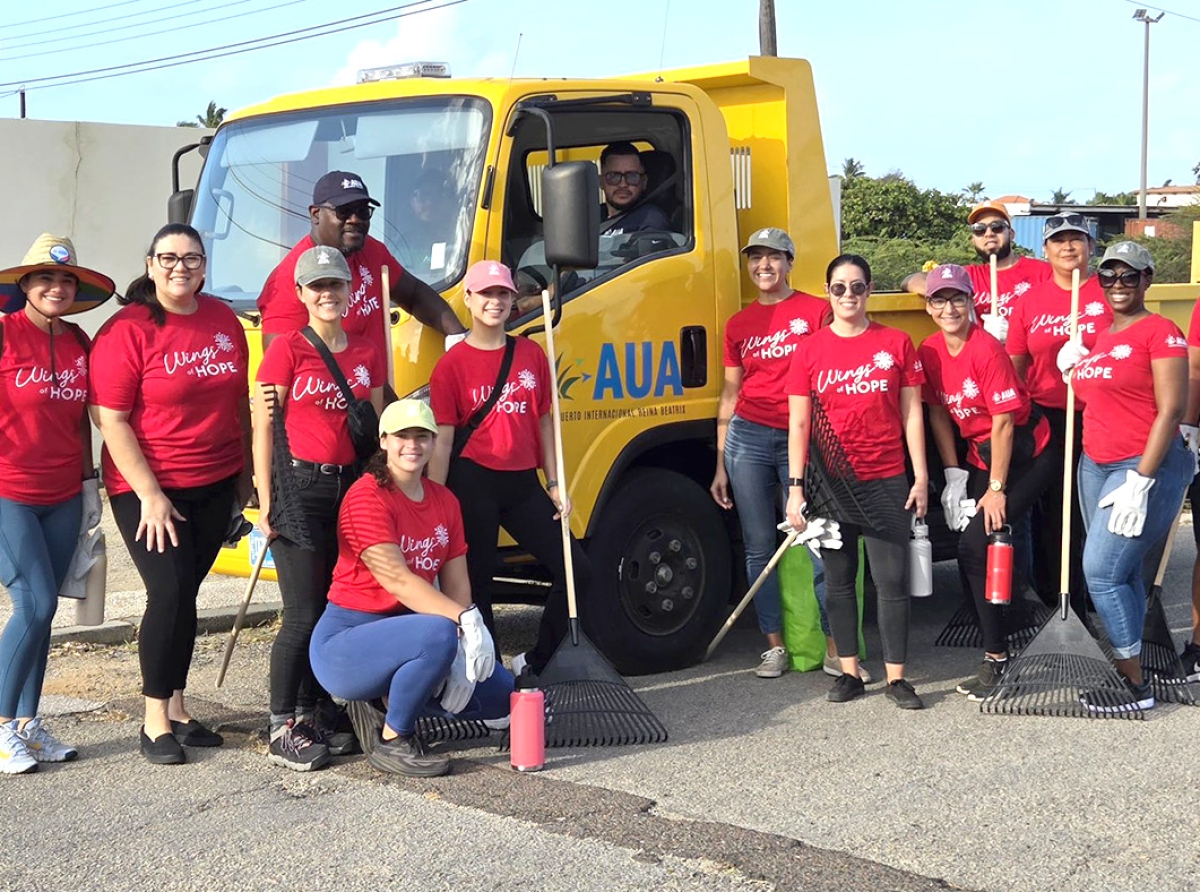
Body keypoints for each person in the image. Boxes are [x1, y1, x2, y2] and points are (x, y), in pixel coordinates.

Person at [89, 223, 252, 764]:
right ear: (150, 264)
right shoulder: (127, 330)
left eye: (191, 258)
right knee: (169, 592)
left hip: (214, 480)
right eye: (168, 258)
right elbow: (111, 420)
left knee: (188, 594)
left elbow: (237, 404)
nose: (180, 267)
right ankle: (154, 718)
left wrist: (245, 475)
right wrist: (152, 494)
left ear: (205, 266)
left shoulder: (223, 319)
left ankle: (179, 708)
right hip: (148, 488)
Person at [309, 400, 512, 777]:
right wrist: (463, 621)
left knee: (506, 694)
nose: (412, 445)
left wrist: (467, 642)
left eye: (422, 436)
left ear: (435, 442)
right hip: (347, 643)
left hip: (412, 636)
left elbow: (456, 583)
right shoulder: (365, 497)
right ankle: (392, 740)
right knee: (437, 633)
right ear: (383, 440)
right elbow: (398, 580)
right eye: (402, 435)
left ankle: (392, 699)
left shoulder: (445, 501)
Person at [710, 228, 869, 681]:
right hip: (748, 438)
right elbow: (730, 393)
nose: (764, 265)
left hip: (803, 438)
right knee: (759, 546)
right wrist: (721, 460)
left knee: (820, 540)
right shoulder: (739, 324)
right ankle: (773, 646)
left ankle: (836, 648)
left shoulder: (816, 310)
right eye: (756, 257)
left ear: (790, 262)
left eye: (773, 257)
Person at [253, 245, 385, 771]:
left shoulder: (367, 351)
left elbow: (377, 427)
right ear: (302, 294)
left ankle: (315, 709)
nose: (328, 294)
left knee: (335, 606)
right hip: (298, 486)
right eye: (318, 287)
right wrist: (265, 500)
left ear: (351, 292)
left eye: (336, 285)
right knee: (303, 612)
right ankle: (280, 721)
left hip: (349, 487)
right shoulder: (285, 348)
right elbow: (264, 426)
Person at [427, 260, 590, 678]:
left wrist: (555, 483)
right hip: (472, 480)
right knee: (476, 584)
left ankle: (533, 661)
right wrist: (433, 500)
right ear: (468, 299)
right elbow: (443, 439)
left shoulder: (531, 353)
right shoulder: (452, 365)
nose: (495, 302)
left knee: (577, 570)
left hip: (523, 483)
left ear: (513, 299)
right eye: (486, 294)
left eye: (502, 294)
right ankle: (491, 680)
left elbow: (544, 422)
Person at [784, 254, 929, 709]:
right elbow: (798, 424)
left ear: (869, 291)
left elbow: (912, 413)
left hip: (886, 475)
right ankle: (848, 671)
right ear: (828, 292)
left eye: (858, 287)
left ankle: (896, 678)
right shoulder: (808, 350)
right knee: (840, 581)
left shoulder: (897, 343)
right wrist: (795, 488)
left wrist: (921, 475)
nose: (849, 295)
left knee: (891, 581)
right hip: (829, 481)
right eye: (839, 287)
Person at [1057, 242, 1191, 712]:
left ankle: (1132, 683)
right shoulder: (1100, 334)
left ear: (1147, 279)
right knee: (1124, 570)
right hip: (1095, 464)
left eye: (1128, 276)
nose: (1117, 284)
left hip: (1141, 467)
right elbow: (1103, 393)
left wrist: (1141, 480)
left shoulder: (1160, 331)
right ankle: (1133, 659)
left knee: (1101, 573)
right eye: (1109, 276)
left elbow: (1171, 409)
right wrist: (1073, 366)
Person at [917, 264, 1059, 701]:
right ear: (928, 305)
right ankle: (1009, 625)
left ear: (971, 302)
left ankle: (997, 658)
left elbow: (1003, 424)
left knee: (976, 544)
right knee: (980, 548)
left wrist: (995, 489)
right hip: (981, 454)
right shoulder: (930, 350)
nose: (949, 307)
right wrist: (954, 473)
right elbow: (939, 411)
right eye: (939, 299)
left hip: (1027, 452)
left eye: (957, 298)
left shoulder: (986, 350)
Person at [0, 235, 115, 774]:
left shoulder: (79, 341)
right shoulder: (2, 334)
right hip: (10, 494)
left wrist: (91, 484)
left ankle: (28, 725)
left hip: (66, 493)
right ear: (24, 284)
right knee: (35, 604)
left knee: (45, 617)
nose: (57, 287)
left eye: (67, 280)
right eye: (46, 278)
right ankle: (1, 728)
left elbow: (82, 420)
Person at [257, 170, 467, 370]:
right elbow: (280, 364)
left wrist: (458, 338)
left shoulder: (372, 251)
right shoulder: (289, 276)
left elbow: (414, 294)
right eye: (344, 211)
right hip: (331, 402)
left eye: (363, 211)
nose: (355, 219)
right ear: (315, 215)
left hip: (375, 395)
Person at [1005, 214, 1110, 613]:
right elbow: (1015, 365)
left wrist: (1095, 358)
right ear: (1045, 250)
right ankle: (1060, 600)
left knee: (1094, 514)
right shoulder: (1031, 301)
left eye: (1077, 239)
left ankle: (1097, 597)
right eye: (1059, 241)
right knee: (1055, 516)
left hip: (1099, 414)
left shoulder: (1108, 292)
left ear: (1090, 246)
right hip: (1049, 417)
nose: (1069, 248)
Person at [903, 200, 1052, 340]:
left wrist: (1015, 333)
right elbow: (910, 280)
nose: (989, 233)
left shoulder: (1042, 272)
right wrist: (942, 290)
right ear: (973, 239)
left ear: (1011, 234)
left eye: (997, 227)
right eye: (979, 229)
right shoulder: (966, 277)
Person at [599, 142, 672, 235]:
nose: (623, 184)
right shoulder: (591, 217)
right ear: (601, 182)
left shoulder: (651, 219)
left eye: (632, 176)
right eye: (613, 176)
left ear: (644, 182)